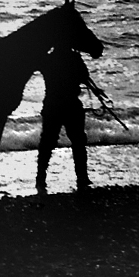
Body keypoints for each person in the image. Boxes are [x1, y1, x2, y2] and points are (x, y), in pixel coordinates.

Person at [37, 45, 92, 191]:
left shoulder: (47, 59)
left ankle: (41, 177)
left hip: (52, 104)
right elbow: (84, 76)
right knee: (78, 140)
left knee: (47, 141)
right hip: (70, 104)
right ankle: (82, 176)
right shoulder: (74, 59)